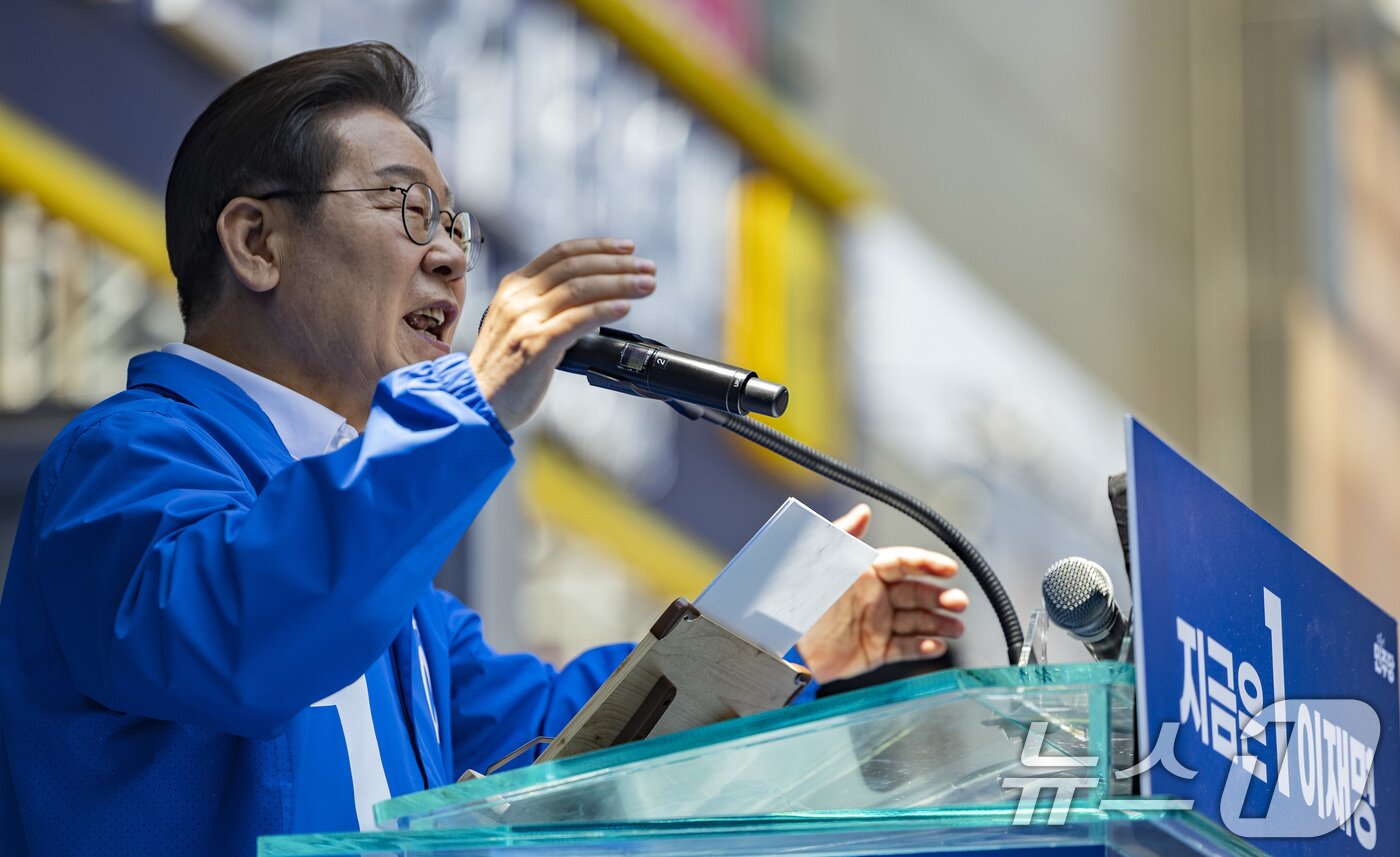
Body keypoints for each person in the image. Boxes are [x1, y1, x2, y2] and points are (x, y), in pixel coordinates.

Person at [0, 42, 968, 856]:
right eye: (404, 208)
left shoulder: (396, 592)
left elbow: (565, 751)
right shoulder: (123, 460)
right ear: (256, 241)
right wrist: (467, 402)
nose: (452, 256)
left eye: (451, 222)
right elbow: (240, 638)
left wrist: (789, 638)